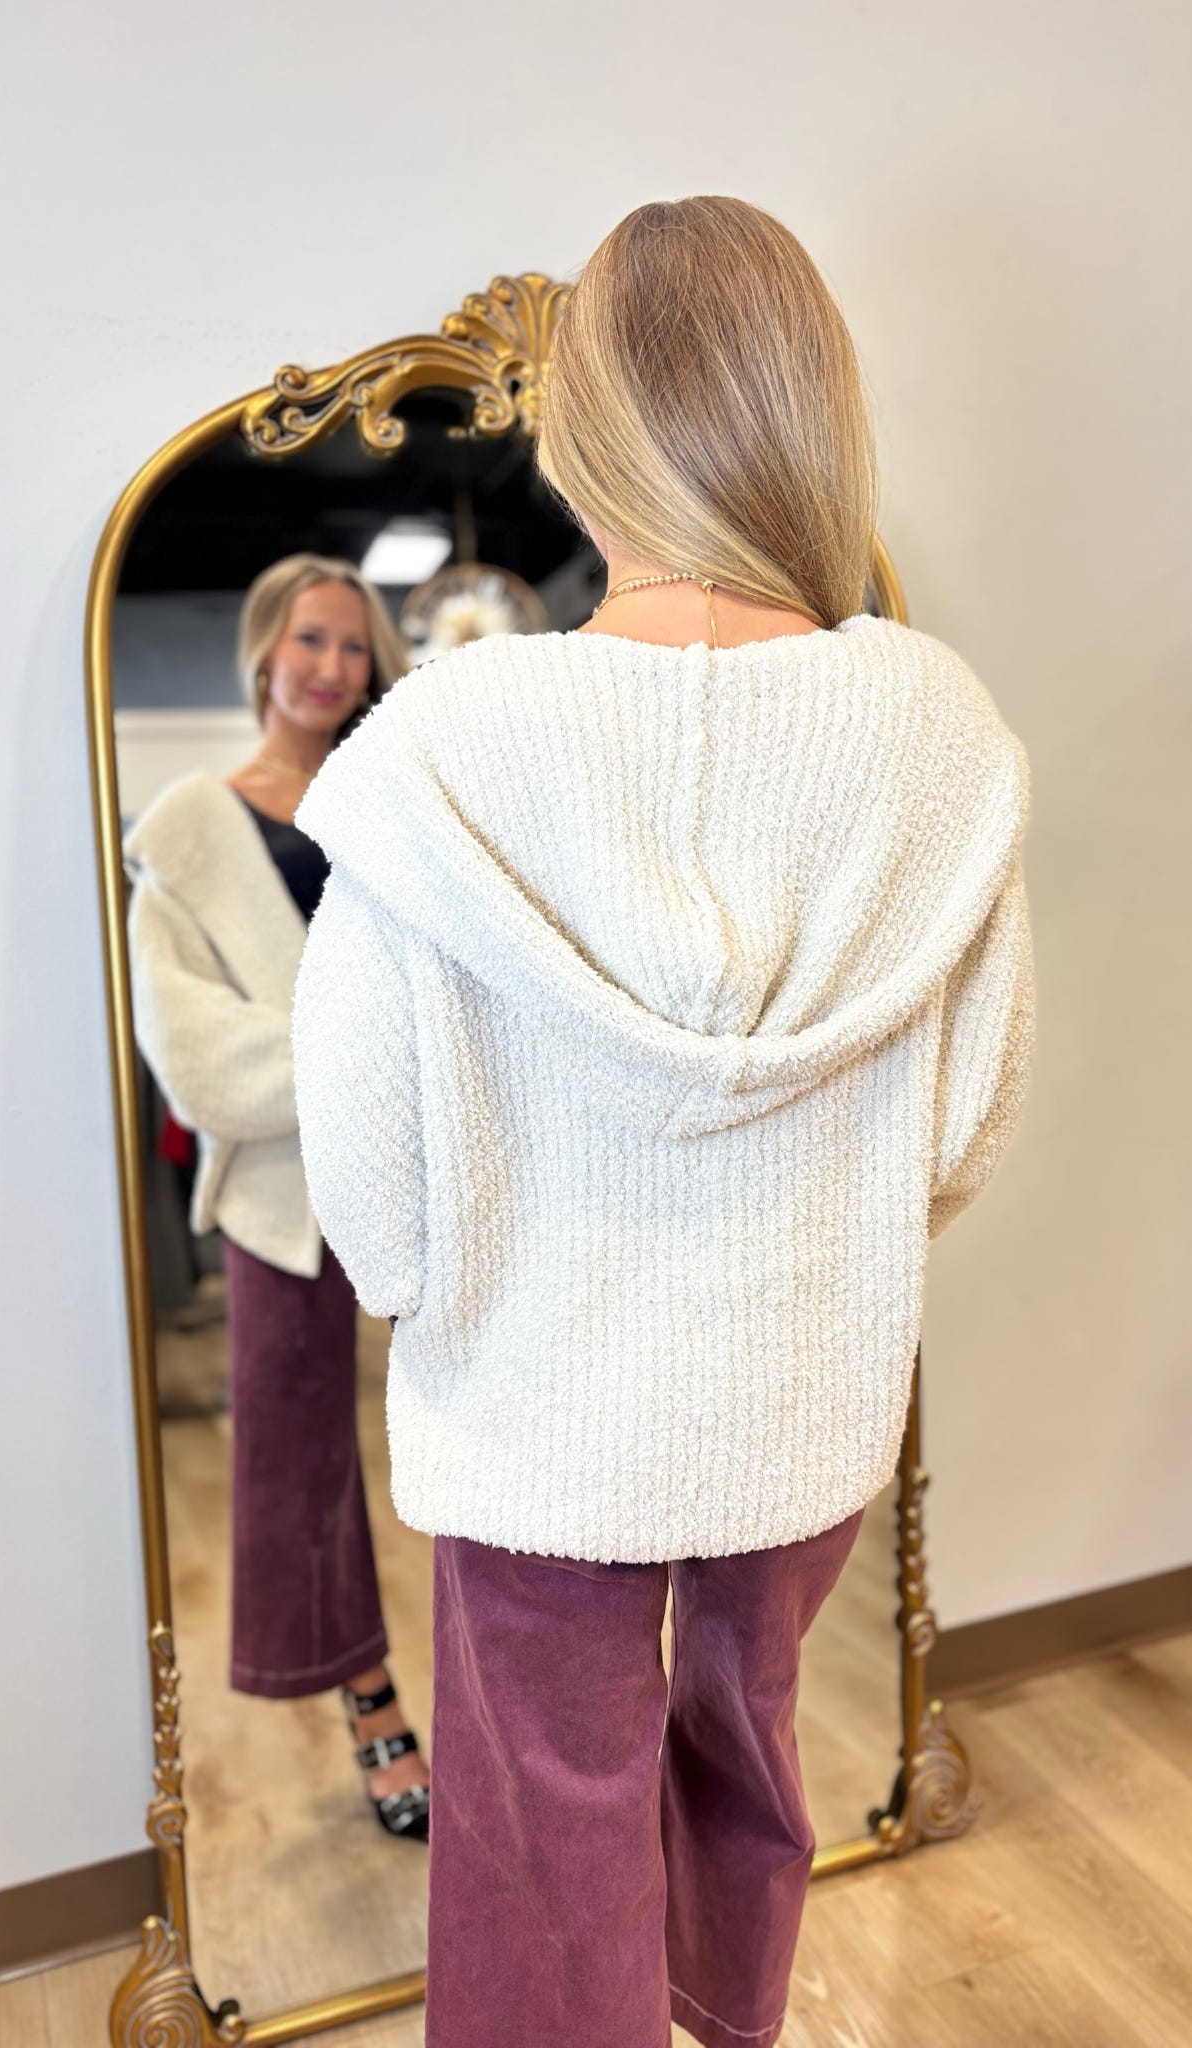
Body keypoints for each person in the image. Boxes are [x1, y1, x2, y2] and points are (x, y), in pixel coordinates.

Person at [291, 198, 1035, 2045]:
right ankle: (723, 2012)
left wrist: (458, 1278)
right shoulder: (936, 734)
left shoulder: (445, 750)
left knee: (544, 1811)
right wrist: (809, 1222)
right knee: (746, 1733)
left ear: (585, 430)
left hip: (530, 1403)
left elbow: (370, 1189)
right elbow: (963, 1127)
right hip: (802, 1381)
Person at [124, 554, 431, 1842]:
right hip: (279, 1188)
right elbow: (191, 1052)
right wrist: (365, 1060)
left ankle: (515, 1686)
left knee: (482, 1431)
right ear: (263, 649)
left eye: (354, 646)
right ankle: (372, 1701)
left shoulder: (394, 802)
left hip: (427, 1164)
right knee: (298, 1457)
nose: (331, 667)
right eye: (312, 638)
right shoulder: (192, 827)